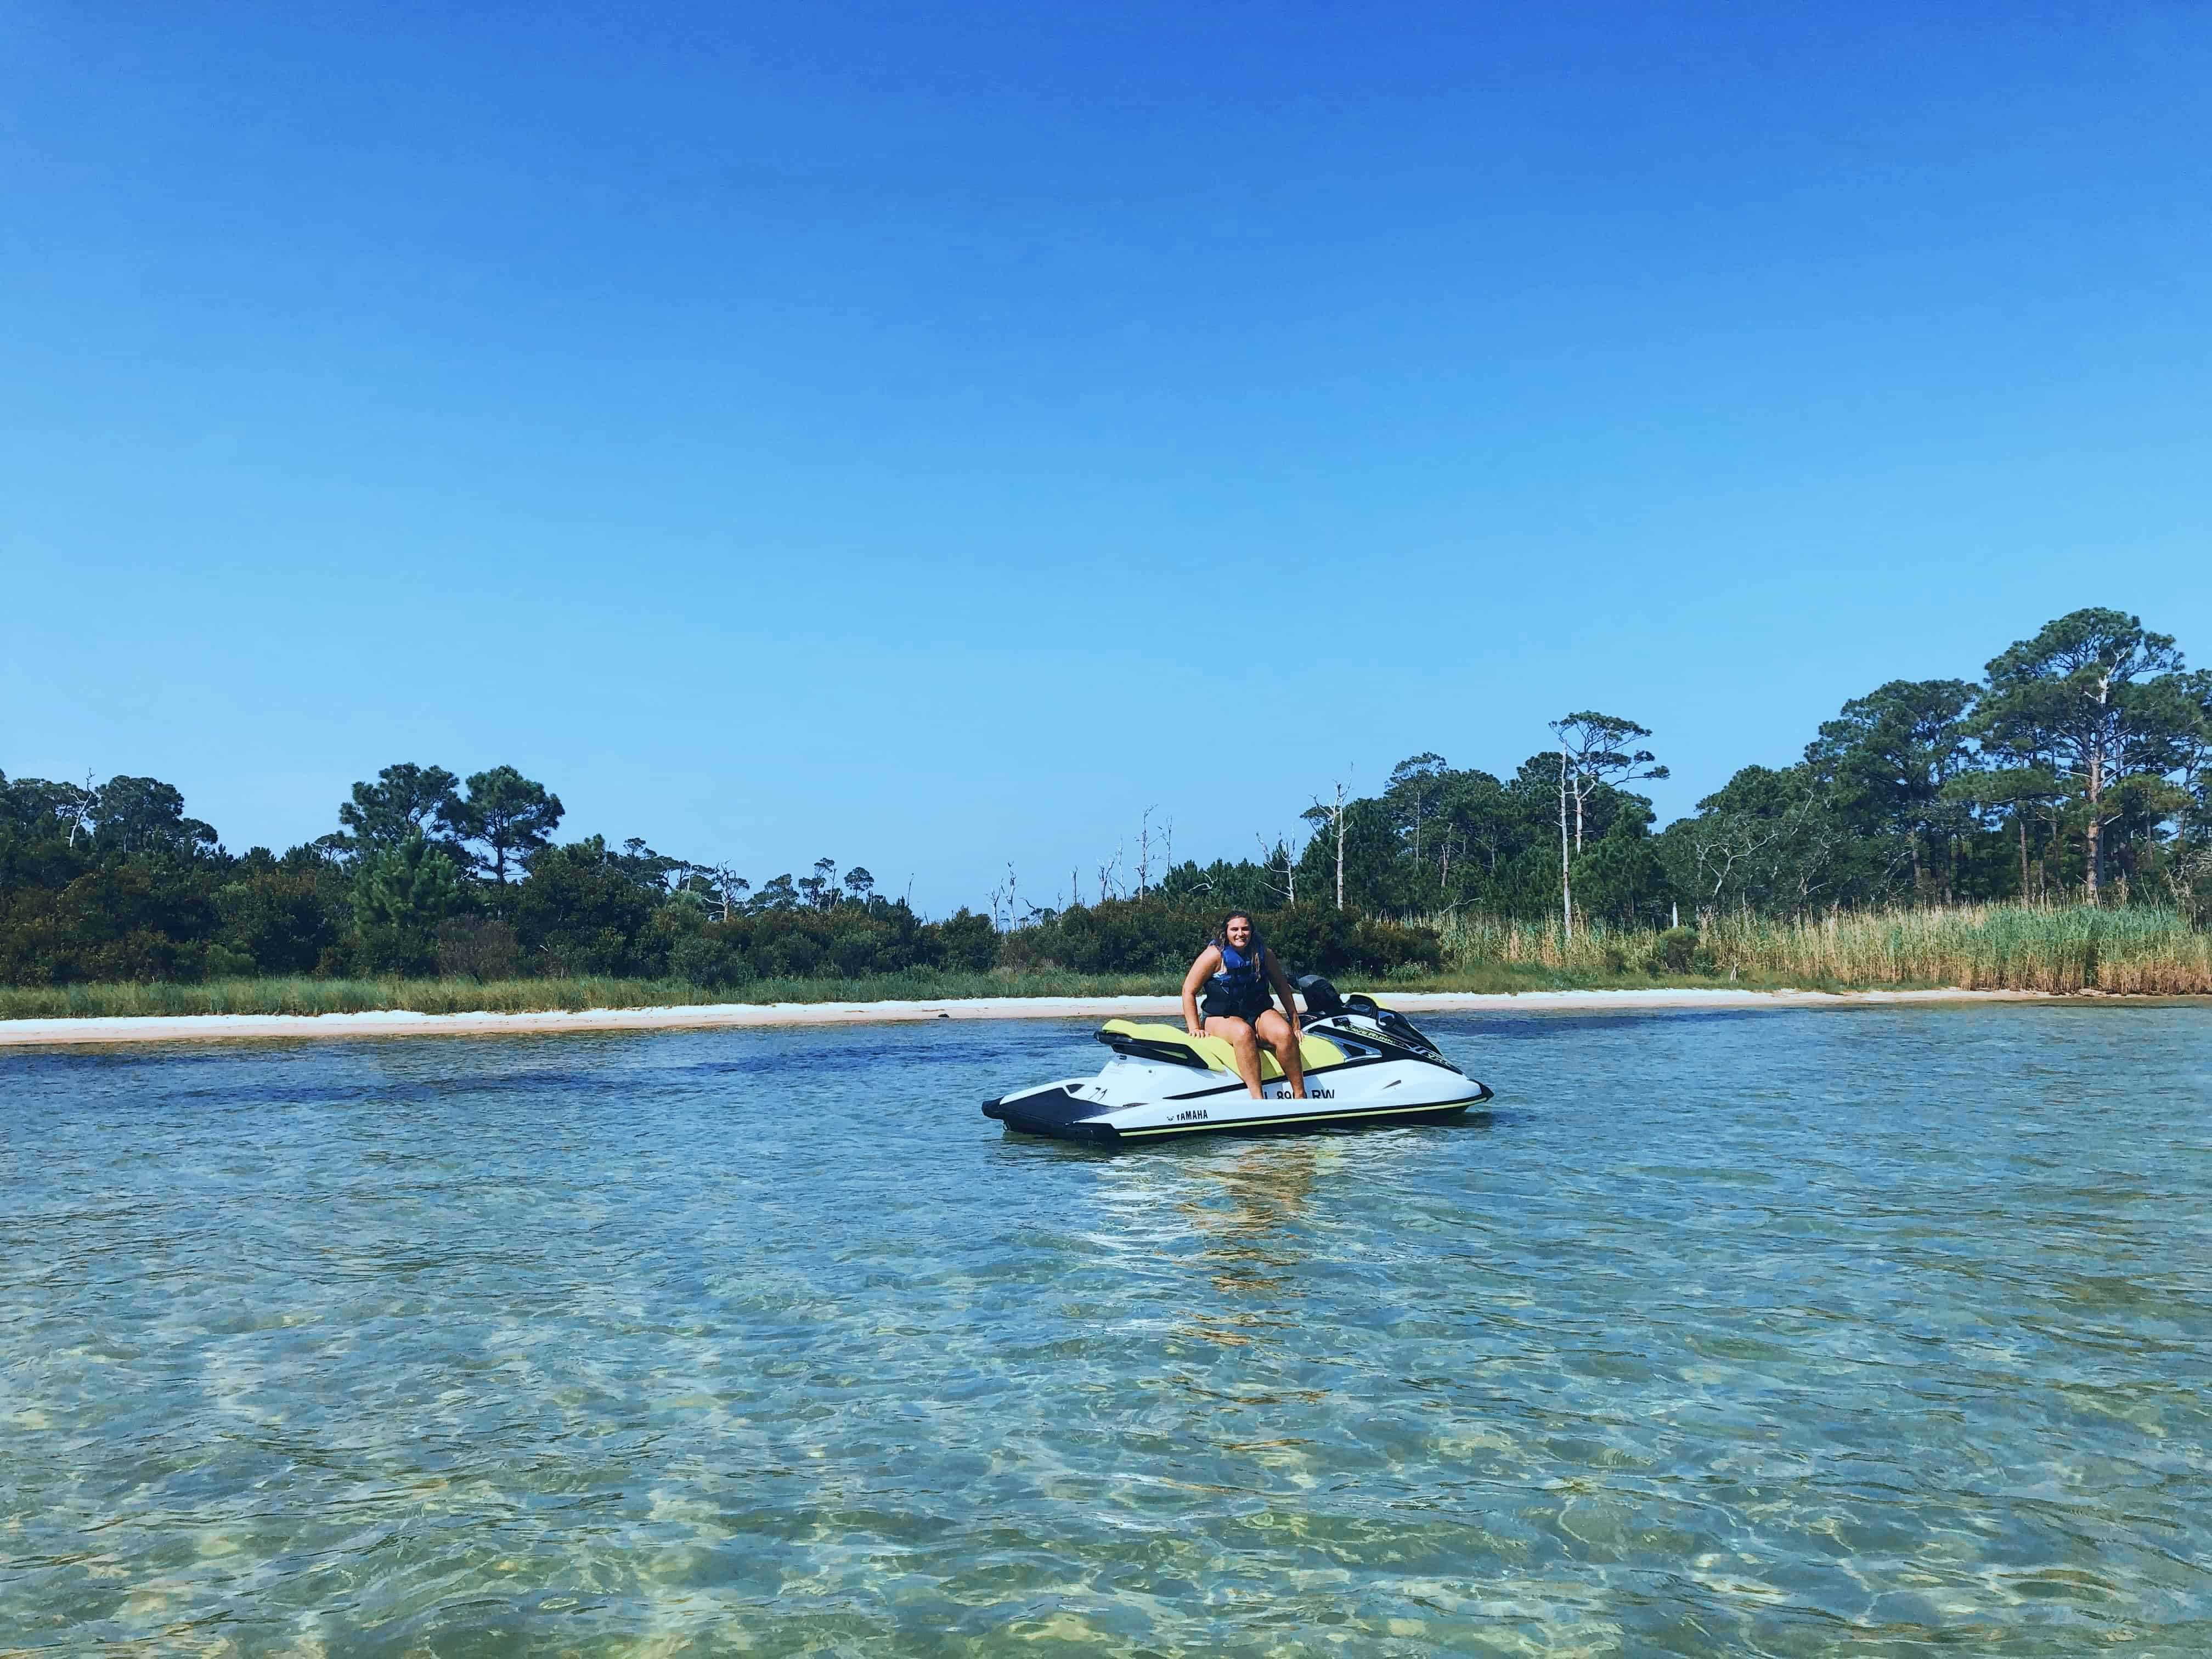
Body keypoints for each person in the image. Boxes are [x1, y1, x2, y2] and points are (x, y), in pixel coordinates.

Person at [1181, 911, 1307, 1100]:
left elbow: (1282, 986)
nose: (1240, 934)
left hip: (1258, 1013)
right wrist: (1194, 1028)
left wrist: (1295, 1022)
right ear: (1226, 932)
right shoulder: (1214, 956)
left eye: (1245, 929)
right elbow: (1188, 990)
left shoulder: (1264, 954)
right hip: (1219, 1018)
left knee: (1284, 1033)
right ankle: (1258, 1099)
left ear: (1252, 931)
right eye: (1235, 929)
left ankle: (1300, 1095)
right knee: (1243, 1032)